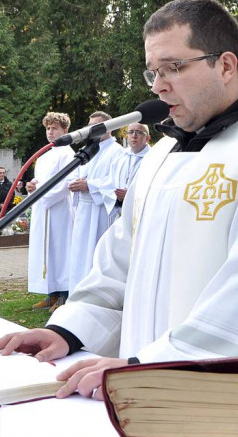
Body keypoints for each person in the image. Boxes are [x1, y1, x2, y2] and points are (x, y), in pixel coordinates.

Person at [0, 0, 238, 437]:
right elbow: (118, 268)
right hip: (148, 396)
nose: (158, 86)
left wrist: (144, 366)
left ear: (226, 65)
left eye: (173, 68)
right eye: (152, 71)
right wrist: (67, 331)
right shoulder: (161, 157)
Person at [66, 112, 125, 290]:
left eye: (96, 125)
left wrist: (89, 184)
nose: (91, 129)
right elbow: (77, 173)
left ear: (110, 128)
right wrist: (75, 182)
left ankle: (95, 292)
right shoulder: (88, 150)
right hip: (83, 209)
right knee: (80, 254)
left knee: (97, 254)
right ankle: (77, 291)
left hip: (100, 211)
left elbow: (116, 182)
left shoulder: (118, 152)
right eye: (90, 125)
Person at [26, 113, 75, 311]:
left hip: (60, 209)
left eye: (55, 128)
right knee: (45, 251)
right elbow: (39, 182)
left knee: (61, 250)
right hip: (43, 209)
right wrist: (31, 187)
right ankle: (51, 293)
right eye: (48, 128)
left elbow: (65, 183)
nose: (50, 132)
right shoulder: (44, 156)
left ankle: (65, 293)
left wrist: (44, 197)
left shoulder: (68, 154)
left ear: (65, 130)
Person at [110, 123, 152, 222]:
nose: (134, 135)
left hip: (142, 215)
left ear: (148, 138)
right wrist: (118, 198)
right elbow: (110, 183)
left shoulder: (153, 158)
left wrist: (130, 196)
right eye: (131, 132)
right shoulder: (120, 157)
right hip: (121, 214)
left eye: (139, 132)